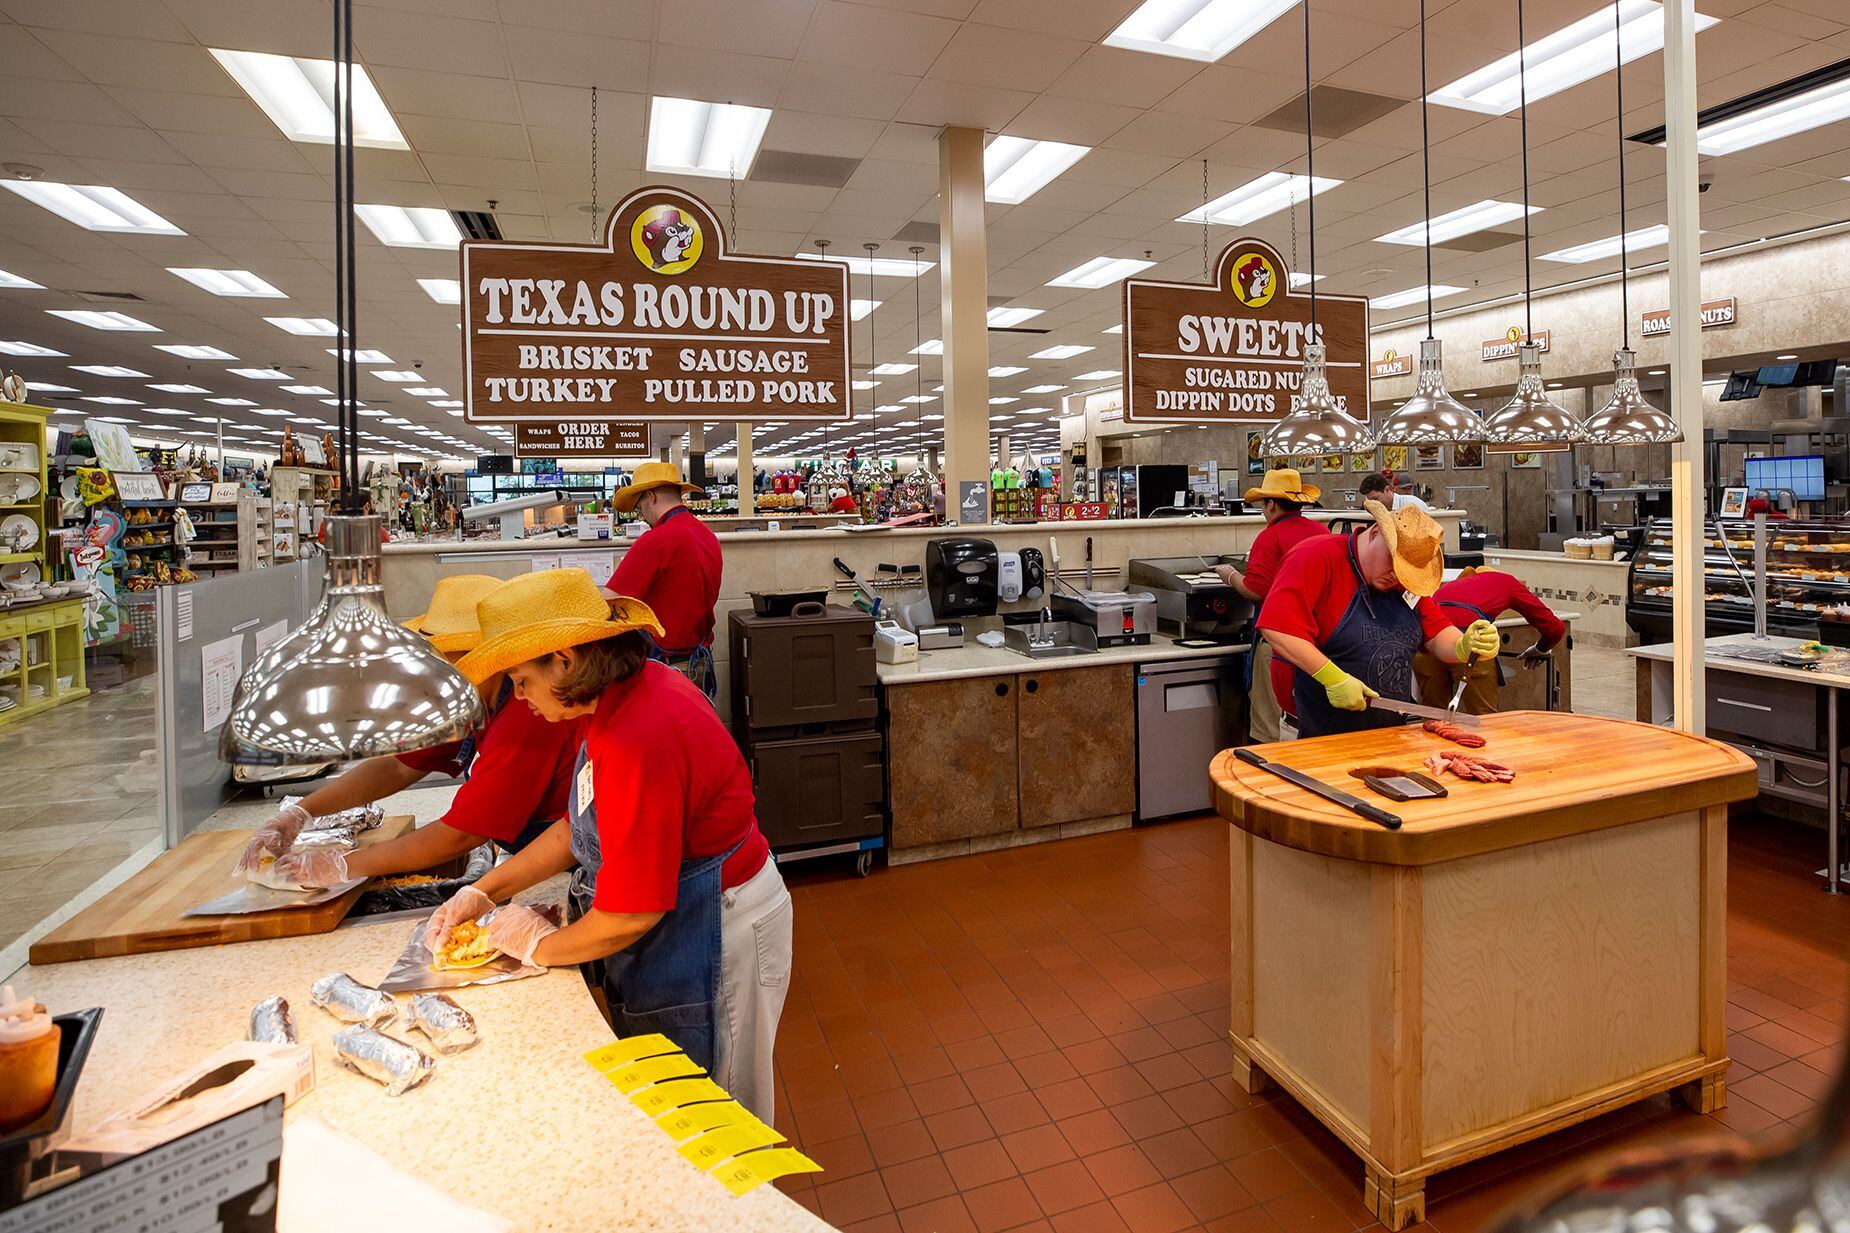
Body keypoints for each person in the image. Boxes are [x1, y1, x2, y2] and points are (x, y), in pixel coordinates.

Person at [424, 569, 791, 1122]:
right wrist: (483, 892)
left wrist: (537, 947)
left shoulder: (638, 734)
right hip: (686, 918)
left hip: (722, 924)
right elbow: (578, 830)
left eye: (522, 679)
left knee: (720, 1114)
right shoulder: (611, 706)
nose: (517, 696)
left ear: (565, 660)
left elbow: (630, 913)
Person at [233, 575, 586, 886]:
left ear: (482, 656)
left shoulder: (530, 713)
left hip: (574, 865)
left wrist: (343, 865)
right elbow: (399, 765)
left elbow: (460, 834)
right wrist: (301, 814)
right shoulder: (475, 700)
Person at [1257, 500, 1501, 739]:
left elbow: (1437, 635)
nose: (1397, 576)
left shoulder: (1403, 585)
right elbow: (1276, 627)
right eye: (1394, 564)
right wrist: (1332, 677)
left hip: (1390, 737)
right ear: (1375, 533)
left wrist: (1463, 645)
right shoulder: (1316, 556)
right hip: (1315, 735)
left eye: (1406, 573)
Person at [1216, 468, 1330, 743]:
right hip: (1319, 642)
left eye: (1264, 504)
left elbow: (1257, 590)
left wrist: (1230, 576)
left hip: (1279, 643)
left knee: (1268, 727)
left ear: (1271, 504)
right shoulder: (1322, 532)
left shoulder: (1271, 537)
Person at [609, 461, 723, 700]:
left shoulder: (655, 541)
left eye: (640, 505)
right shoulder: (707, 535)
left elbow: (609, 602)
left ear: (650, 496)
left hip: (668, 671)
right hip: (700, 664)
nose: (642, 515)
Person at [1414, 566, 1566, 714]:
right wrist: (1540, 649)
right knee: (1484, 718)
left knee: (1432, 716)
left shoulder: (1451, 585)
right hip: (1470, 643)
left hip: (1428, 645)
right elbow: (1555, 628)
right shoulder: (1506, 582)